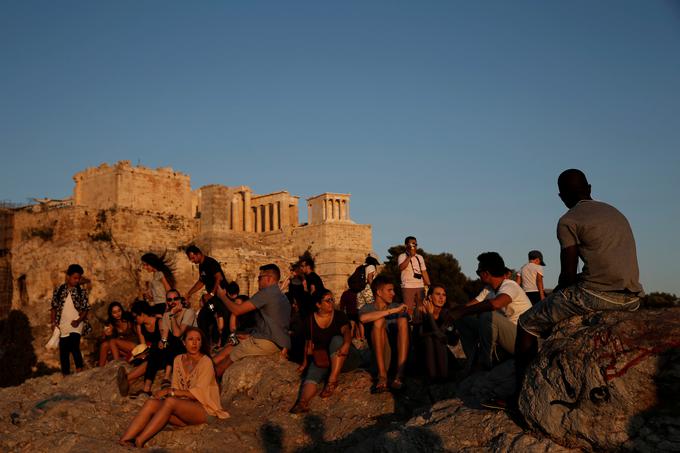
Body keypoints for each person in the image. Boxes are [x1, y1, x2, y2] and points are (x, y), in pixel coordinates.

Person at [501, 169, 644, 411]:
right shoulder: (614, 212)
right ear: (589, 188)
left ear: (561, 196)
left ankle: (520, 398)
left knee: (526, 323)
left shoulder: (569, 220)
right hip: (632, 298)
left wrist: (558, 292)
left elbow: (568, 273)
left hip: (597, 296)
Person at [118, 327, 229, 448]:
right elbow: (176, 387)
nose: (195, 343)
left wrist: (169, 391)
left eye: (198, 340)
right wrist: (169, 394)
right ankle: (125, 440)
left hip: (205, 411)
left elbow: (197, 393)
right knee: (151, 403)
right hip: (183, 411)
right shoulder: (178, 360)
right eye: (191, 339)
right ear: (184, 342)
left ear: (201, 343)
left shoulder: (206, 362)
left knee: (170, 401)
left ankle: (139, 441)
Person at [451, 252, 532, 370]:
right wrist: (452, 313)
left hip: (522, 340)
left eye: (478, 272)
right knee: (462, 319)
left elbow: (496, 303)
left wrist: (463, 311)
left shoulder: (510, 285)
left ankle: (485, 362)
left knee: (488, 315)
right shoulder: (489, 290)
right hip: (505, 337)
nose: (478, 275)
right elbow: (468, 307)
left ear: (486, 273)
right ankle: (472, 361)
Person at [290, 290, 363, 413]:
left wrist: (346, 343)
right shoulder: (310, 320)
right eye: (328, 300)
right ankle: (302, 402)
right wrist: (304, 363)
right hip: (325, 358)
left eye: (332, 300)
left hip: (346, 357)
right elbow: (308, 343)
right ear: (318, 305)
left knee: (336, 340)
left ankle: (332, 381)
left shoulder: (339, 315)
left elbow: (346, 331)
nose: (332, 303)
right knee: (311, 375)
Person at [213, 264, 291, 376]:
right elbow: (273, 324)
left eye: (260, 278)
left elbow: (237, 310)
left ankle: (205, 385)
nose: (258, 281)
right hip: (276, 342)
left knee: (227, 360)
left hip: (265, 343)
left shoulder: (267, 293)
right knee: (232, 346)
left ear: (269, 278)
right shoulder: (281, 296)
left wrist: (222, 296)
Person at [359, 275, 409, 392]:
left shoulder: (398, 306)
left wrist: (397, 311)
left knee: (402, 319)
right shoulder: (367, 308)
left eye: (393, 290)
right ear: (379, 292)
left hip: (398, 354)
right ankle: (382, 375)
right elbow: (363, 318)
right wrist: (392, 311)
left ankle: (399, 375)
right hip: (380, 357)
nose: (393, 293)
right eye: (389, 290)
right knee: (379, 321)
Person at [117, 300, 165, 398]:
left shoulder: (159, 321)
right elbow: (143, 346)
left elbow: (164, 341)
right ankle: (127, 385)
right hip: (152, 353)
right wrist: (142, 354)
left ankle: (126, 378)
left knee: (150, 360)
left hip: (162, 352)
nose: (135, 320)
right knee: (147, 359)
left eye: (136, 317)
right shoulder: (140, 327)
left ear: (142, 314)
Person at [50, 264, 91, 375]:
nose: (77, 281)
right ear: (68, 276)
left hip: (77, 324)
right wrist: (53, 323)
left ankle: (79, 370)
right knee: (64, 350)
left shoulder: (81, 292)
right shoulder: (59, 290)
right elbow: (53, 307)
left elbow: (86, 309)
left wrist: (78, 320)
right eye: (75, 278)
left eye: (79, 278)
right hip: (63, 325)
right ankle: (66, 375)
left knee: (74, 345)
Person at [412, 285, 459, 382]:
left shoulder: (447, 313)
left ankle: (443, 377)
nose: (441, 297)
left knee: (436, 338)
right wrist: (424, 314)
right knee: (429, 339)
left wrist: (430, 315)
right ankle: (433, 378)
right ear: (429, 297)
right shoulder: (420, 311)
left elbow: (443, 336)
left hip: (443, 353)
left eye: (444, 295)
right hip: (423, 355)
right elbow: (416, 338)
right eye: (438, 294)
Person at [185, 245, 229, 347]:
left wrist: (212, 293)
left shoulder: (210, 262)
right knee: (202, 318)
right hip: (212, 298)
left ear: (198, 254)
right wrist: (189, 293)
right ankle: (207, 345)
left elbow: (219, 277)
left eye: (193, 258)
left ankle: (219, 343)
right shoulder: (201, 265)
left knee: (217, 319)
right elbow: (201, 281)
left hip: (220, 297)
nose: (192, 261)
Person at [159, 289, 197, 388]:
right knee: (157, 347)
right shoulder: (167, 315)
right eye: (169, 300)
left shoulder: (188, 312)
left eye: (175, 299)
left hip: (191, 345)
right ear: (167, 302)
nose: (173, 302)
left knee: (174, 339)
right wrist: (162, 342)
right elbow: (164, 337)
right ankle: (146, 388)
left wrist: (172, 315)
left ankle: (167, 376)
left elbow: (177, 334)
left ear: (180, 300)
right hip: (177, 346)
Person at [397, 236, 431, 317]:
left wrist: (429, 284)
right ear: (406, 245)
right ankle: (408, 325)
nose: (414, 245)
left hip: (420, 286)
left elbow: (424, 271)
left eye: (415, 244)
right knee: (408, 309)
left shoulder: (420, 257)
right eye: (412, 243)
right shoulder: (402, 256)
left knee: (421, 308)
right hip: (407, 286)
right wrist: (410, 256)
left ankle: (419, 327)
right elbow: (401, 267)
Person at [98, 301, 137, 366]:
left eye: (119, 311)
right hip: (122, 348)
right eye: (114, 312)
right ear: (111, 314)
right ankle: (99, 368)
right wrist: (105, 335)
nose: (118, 314)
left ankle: (117, 365)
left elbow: (138, 332)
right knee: (104, 345)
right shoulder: (112, 323)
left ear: (122, 310)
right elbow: (105, 338)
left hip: (133, 345)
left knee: (113, 341)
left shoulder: (128, 319)